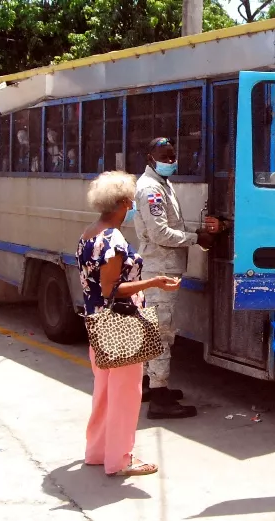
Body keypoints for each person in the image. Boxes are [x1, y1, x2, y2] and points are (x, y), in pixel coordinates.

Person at [77, 170, 181, 477]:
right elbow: (111, 289)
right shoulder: (114, 240)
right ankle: (120, 459)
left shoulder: (90, 232)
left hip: (98, 324)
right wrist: (156, 282)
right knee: (125, 395)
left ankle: (97, 452)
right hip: (120, 326)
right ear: (123, 202)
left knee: (104, 392)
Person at [134, 137, 225, 419]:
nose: (171, 162)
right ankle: (160, 398)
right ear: (150, 158)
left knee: (155, 328)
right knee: (162, 331)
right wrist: (197, 237)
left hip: (164, 267)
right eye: (165, 157)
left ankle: (149, 385)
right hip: (159, 269)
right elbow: (160, 232)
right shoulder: (150, 189)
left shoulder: (161, 184)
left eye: (173, 156)